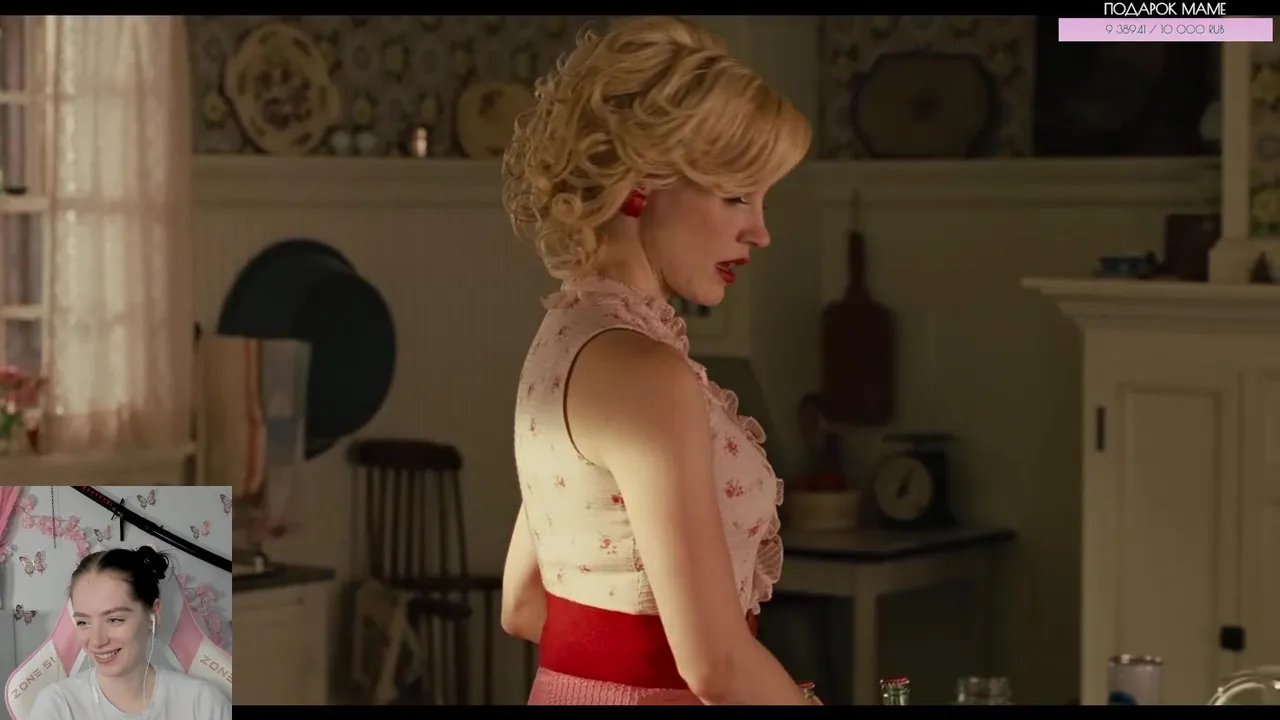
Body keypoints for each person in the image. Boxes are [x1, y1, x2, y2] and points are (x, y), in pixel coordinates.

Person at [500, 16, 817, 705]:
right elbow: (717, 667)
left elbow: (524, 606)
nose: (760, 232)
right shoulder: (644, 374)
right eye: (736, 196)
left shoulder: (566, 341)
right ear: (643, 179)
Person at [29, 546, 232, 720]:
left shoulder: (202, 704)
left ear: (153, 615)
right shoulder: (58, 706)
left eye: (114, 619)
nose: (97, 641)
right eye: (83, 622)